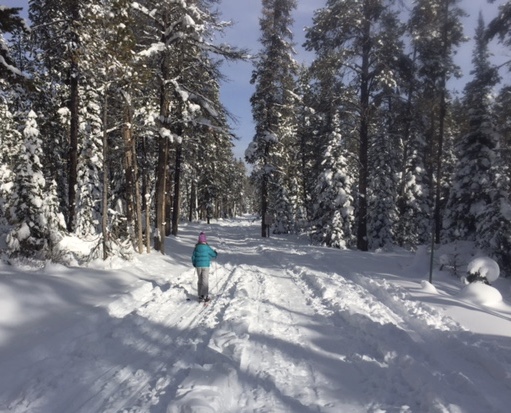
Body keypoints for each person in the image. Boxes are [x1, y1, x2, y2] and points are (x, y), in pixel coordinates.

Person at [191, 232, 218, 302]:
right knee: (205, 280)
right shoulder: (207, 247)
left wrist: (194, 263)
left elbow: (193, 257)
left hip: (198, 266)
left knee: (200, 280)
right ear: (205, 240)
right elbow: (213, 254)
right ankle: (205, 295)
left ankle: (200, 295)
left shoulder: (196, 247)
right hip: (205, 266)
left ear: (199, 240)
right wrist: (215, 253)